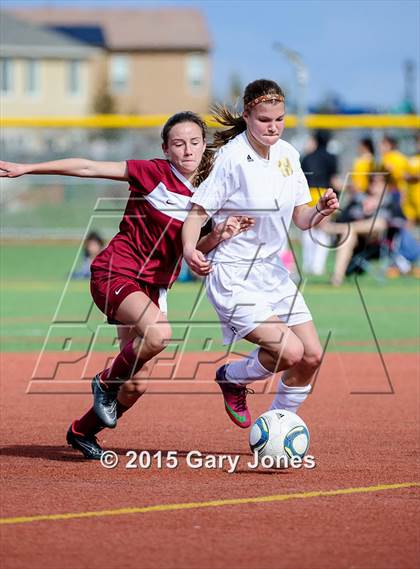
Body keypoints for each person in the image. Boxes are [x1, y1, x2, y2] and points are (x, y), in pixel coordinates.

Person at [0, 111, 254, 459]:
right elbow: (88, 167)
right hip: (116, 271)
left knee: (136, 384)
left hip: (153, 288)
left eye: (194, 142)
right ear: (166, 149)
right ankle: (104, 383)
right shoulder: (153, 173)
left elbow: (190, 247)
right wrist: (28, 168)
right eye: (178, 143)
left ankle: (82, 430)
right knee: (159, 335)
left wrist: (219, 236)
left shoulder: (209, 192)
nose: (187, 150)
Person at [182, 79, 339, 429]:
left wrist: (321, 210)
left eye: (279, 119)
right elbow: (195, 215)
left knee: (311, 356)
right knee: (290, 351)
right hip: (233, 273)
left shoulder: (288, 155)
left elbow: (301, 219)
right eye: (265, 120)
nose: (273, 127)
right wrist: (190, 249)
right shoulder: (231, 158)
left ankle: (279, 425)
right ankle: (232, 377)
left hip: (271, 272)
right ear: (248, 115)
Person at [300, 130, 341, 275]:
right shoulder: (331, 157)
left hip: (308, 194)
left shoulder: (307, 157)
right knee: (323, 229)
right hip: (324, 194)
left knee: (308, 229)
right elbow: (334, 181)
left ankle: (307, 264)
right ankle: (317, 267)